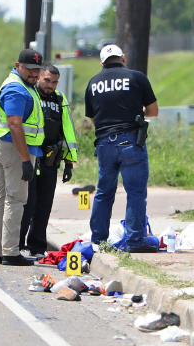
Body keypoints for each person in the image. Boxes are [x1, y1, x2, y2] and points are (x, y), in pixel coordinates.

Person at [84, 45, 159, 253]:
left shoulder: (93, 83)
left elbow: (94, 119)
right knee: (135, 192)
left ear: (101, 63)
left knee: (104, 193)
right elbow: (153, 111)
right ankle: (135, 241)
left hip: (103, 142)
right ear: (122, 58)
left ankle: (98, 241)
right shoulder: (136, 77)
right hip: (130, 140)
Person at [0, 49, 45, 266]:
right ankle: (10, 252)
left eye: (37, 70)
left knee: (1, 199)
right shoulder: (17, 89)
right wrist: (24, 160)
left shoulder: (21, 84)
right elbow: (14, 123)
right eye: (30, 69)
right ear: (18, 65)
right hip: (14, 149)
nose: (34, 73)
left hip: (4, 146)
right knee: (16, 200)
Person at [19, 64, 78, 257]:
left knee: (44, 205)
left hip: (51, 160)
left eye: (54, 82)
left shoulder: (60, 100)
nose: (49, 85)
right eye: (46, 80)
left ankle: (37, 247)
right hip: (30, 155)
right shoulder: (30, 95)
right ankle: (16, 245)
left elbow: (67, 131)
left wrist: (68, 163)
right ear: (38, 77)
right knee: (27, 203)